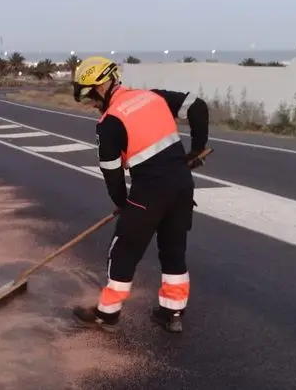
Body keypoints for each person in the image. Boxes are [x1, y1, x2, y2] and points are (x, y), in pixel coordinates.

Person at [69, 56, 210, 333]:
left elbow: (112, 174)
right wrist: (196, 149)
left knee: (123, 249)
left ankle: (107, 314)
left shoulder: (109, 124)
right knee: (173, 248)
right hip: (182, 186)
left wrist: (124, 204)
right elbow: (197, 106)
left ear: (100, 87)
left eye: (90, 96)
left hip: (149, 193)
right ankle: (172, 313)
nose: (93, 104)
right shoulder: (152, 97)